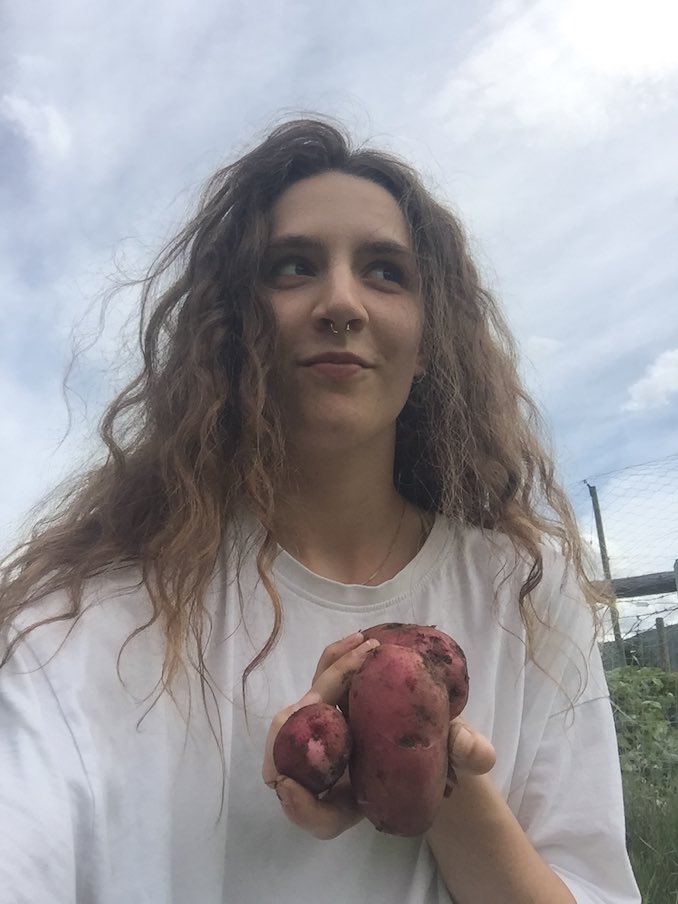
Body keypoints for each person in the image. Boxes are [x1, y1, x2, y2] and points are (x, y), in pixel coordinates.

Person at [0, 118, 640, 904]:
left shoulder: (525, 599)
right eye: (295, 266)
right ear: (232, 325)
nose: (341, 301)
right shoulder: (81, 626)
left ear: (431, 338)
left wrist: (429, 775)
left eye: (384, 272)